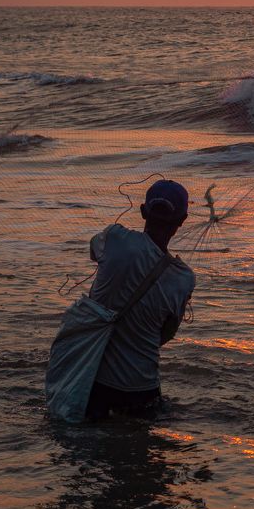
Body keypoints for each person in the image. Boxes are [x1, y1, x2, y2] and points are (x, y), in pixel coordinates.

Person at [84, 179, 195, 421]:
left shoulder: (115, 238)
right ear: (182, 221)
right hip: (142, 389)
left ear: (143, 211)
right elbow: (163, 336)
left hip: (91, 382)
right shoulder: (183, 277)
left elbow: (94, 252)